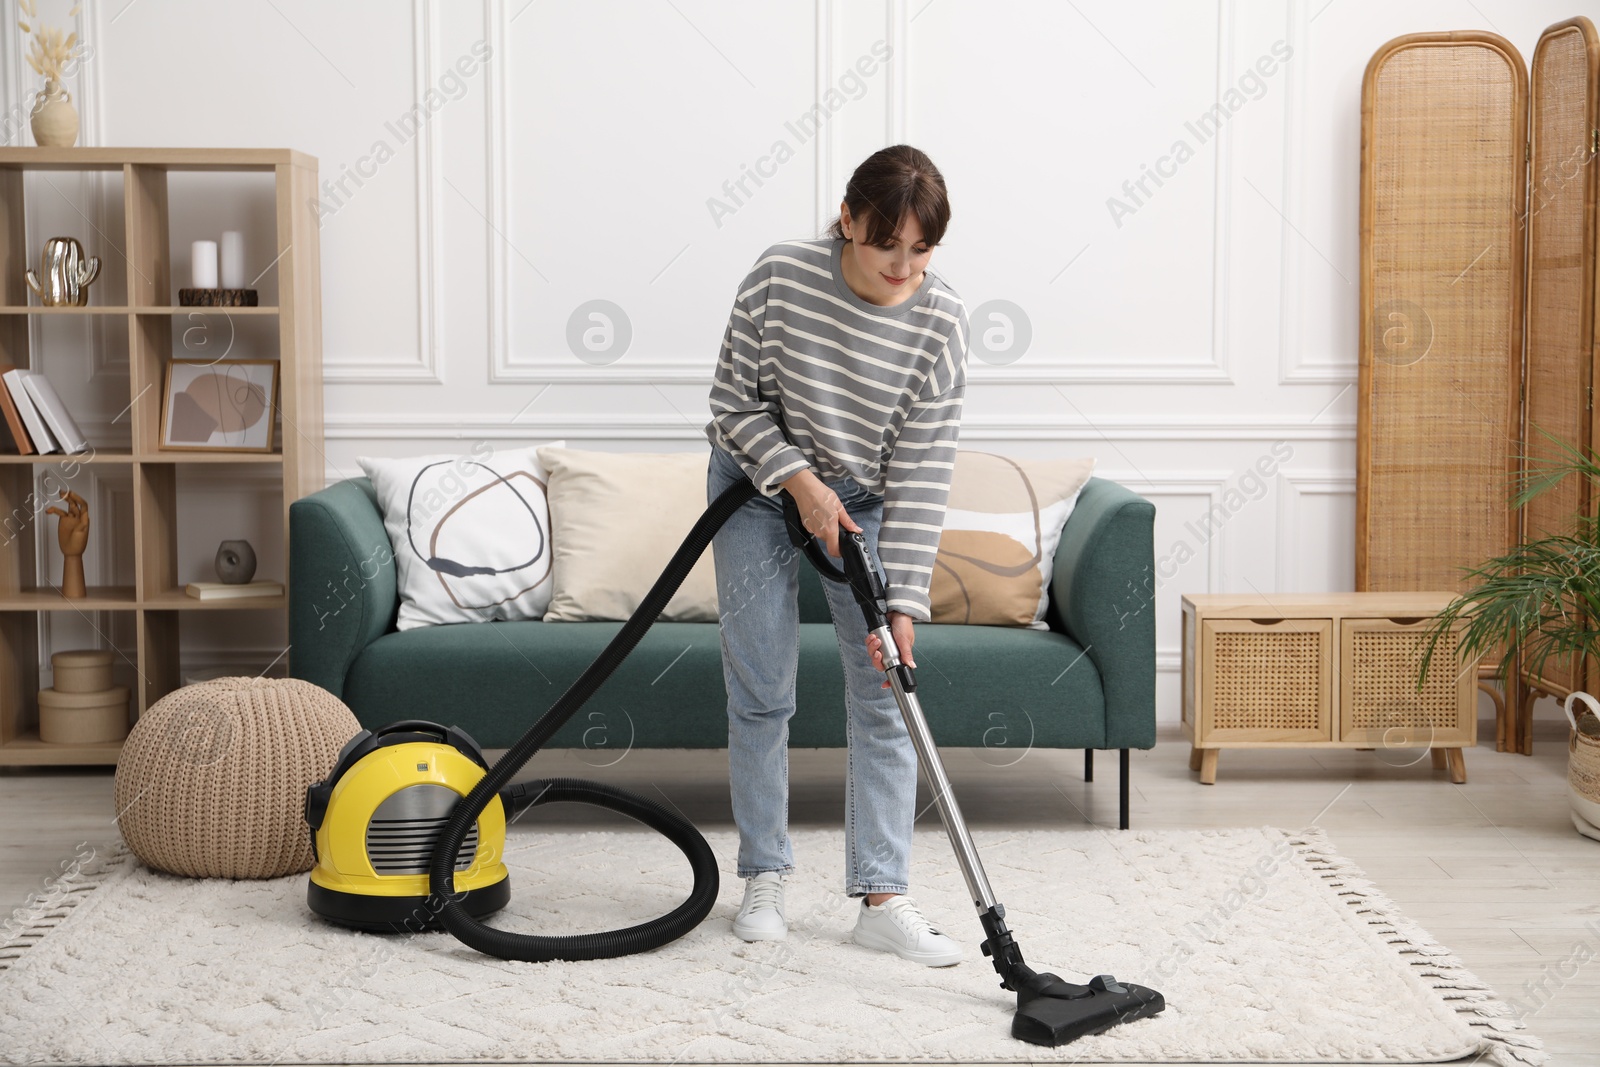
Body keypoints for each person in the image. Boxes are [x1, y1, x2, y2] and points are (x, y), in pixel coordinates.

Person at [702, 144, 969, 966]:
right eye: (889, 244)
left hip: (868, 504)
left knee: (886, 690)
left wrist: (904, 602)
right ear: (848, 219)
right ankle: (765, 876)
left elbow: (924, 469)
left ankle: (883, 896)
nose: (904, 267)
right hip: (754, 484)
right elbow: (731, 404)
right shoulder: (781, 276)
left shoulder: (941, 322)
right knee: (762, 687)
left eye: (922, 250)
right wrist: (799, 483)